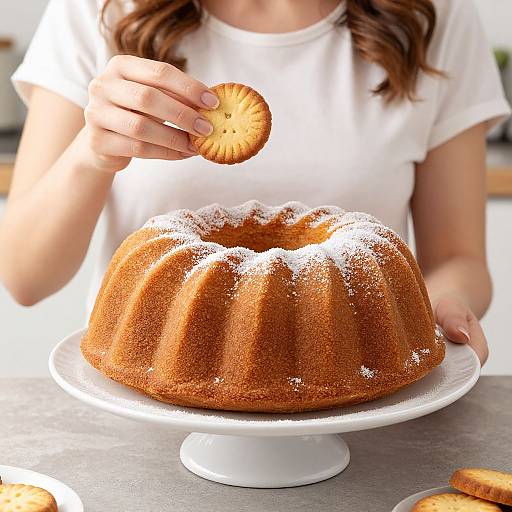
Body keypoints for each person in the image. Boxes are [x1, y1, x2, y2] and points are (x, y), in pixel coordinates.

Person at [0, 0, 510, 365]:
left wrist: (436, 308)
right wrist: (93, 152)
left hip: (359, 397)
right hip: (141, 402)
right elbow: (24, 277)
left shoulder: (434, 14)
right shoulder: (98, 9)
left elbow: (457, 259)